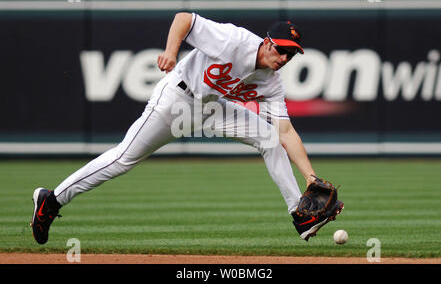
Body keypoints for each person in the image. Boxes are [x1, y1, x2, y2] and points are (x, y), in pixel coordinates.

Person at [30, 12, 333, 245]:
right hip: (176, 98)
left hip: (210, 108)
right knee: (124, 158)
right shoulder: (234, 40)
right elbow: (184, 19)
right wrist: (171, 52)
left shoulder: (272, 82)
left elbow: (286, 132)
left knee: (269, 138)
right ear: (267, 42)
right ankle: (51, 199)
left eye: (291, 54)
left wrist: (310, 176)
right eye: (281, 49)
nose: (283, 58)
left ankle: (300, 216)